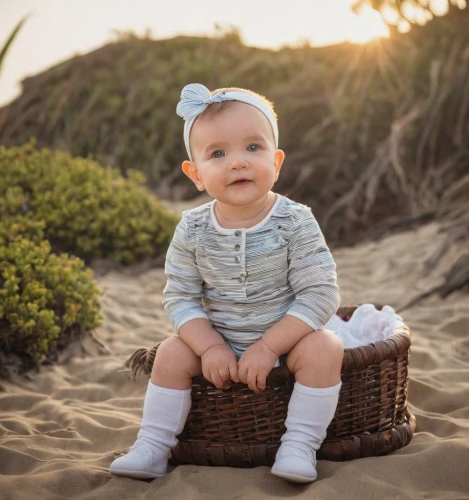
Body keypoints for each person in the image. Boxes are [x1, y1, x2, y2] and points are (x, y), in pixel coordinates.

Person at [109, 83, 344, 483]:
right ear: (196, 173)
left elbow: (321, 293)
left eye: (253, 148)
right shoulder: (193, 228)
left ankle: (300, 444)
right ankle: (152, 445)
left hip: (287, 343)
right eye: (218, 154)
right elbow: (181, 298)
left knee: (326, 348)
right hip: (218, 343)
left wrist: (270, 345)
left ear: (277, 161)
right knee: (170, 353)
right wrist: (211, 346)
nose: (238, 163)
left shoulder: (296, 220)